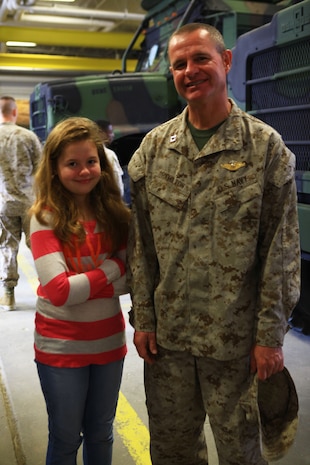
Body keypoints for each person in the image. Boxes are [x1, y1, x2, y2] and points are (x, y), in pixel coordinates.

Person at [126, 23, 301, 465]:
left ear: (224, 61)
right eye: (180, 64)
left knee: (241, 451)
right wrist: (143, 318)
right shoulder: (152, 150)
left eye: (201, 58)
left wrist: (270, 336)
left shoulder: (265, 149)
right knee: (172, 449)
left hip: (236, 344)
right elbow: (142, 247)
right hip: (169, 344)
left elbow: (280, 252)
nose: (190, 70)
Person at [29, 116, 131, 465]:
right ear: (55, 168)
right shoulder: (45, 216)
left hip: (108, 344)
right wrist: (112, 268)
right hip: (61, 346)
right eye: (72, 163)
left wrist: (84, 282)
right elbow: (58, 290)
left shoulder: (116, 214)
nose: (85, 171)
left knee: (101, 431)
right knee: (65, 437)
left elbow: (131, 280)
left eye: (91, 162)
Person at [0, 95, 42, 310]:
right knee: (39, 245)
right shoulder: (28, 136)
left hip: (3, 204)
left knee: (8, 246)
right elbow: (41, 170)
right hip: (29, 203)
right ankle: (49, 287)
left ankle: (8, 295)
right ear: (15, 112)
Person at [96, 119, 124, 198]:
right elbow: (117, 183)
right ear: (100, 133)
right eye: (110, 132)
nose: (113, 135)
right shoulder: (109, 155)